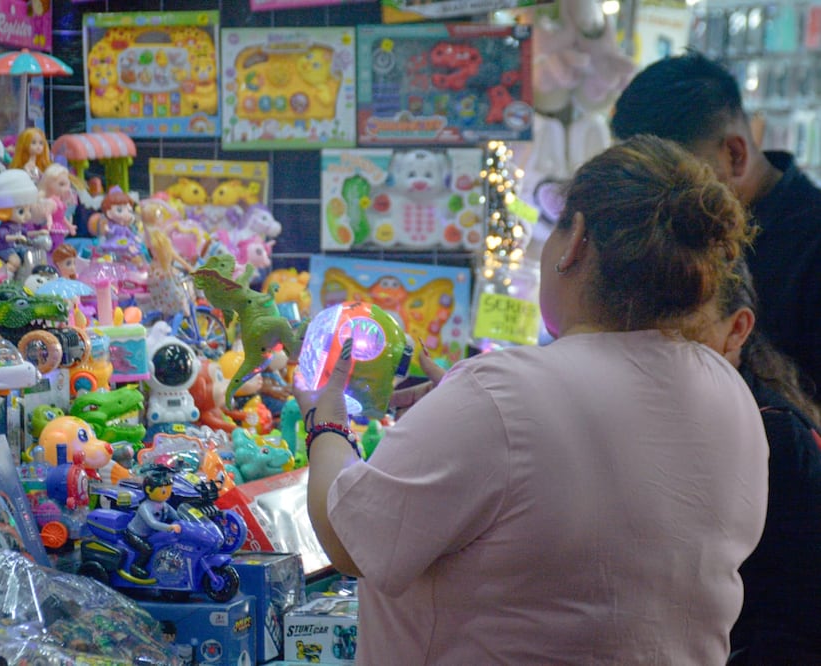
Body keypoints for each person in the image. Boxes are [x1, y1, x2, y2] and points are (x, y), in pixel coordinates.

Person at [293, 135, 768, 664]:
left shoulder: (501, 393)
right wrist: (465, 406)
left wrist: (325, 422)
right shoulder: (732, 395)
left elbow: (350, 539)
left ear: (577, 241)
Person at [610, 51, 821, 403]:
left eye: (675, 180)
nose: (656, 200)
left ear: (735, 155)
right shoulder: (673, 231)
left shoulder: (811, 245)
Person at [690, 258, 821, 663]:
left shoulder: (776, 437)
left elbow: (794, 620)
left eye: (684, 324)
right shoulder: (715, 410)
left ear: (738, 330)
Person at [124, 465, 181, 579]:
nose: (167, 493)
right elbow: (152, 523)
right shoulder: (145, 507)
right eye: (164, 490)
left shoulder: (164, 505)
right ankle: (136, 566)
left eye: (169, 489)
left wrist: (188, 520)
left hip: (151, 534)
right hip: (135, 534)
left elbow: (177, 515)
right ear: (149, 490)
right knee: (147, 549)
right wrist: (170, 527)